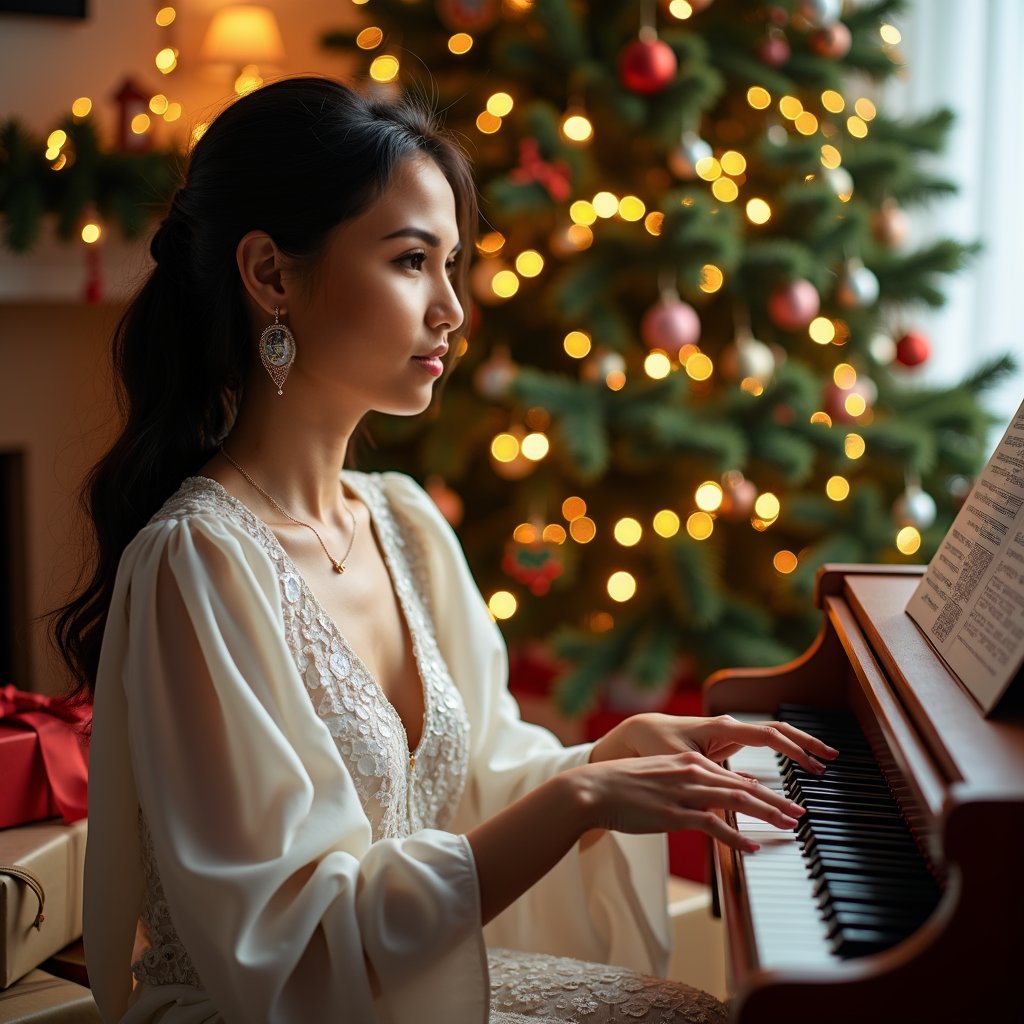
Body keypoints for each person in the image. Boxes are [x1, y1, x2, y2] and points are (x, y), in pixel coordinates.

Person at [52, 76, 837, 1024]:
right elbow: (281, 946)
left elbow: (474, 792)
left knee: (695, 1013)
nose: (452, 310)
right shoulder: (200, 564)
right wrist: (581, 800)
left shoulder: (404, 523)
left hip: (402, 988)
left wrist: (606, 757)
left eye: (452, 264)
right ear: (270, 275)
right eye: (411, 260)